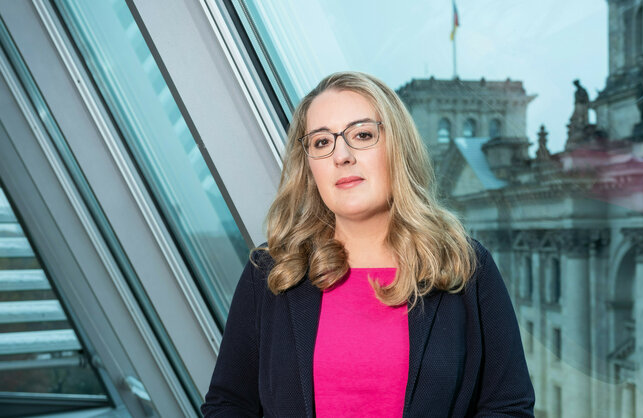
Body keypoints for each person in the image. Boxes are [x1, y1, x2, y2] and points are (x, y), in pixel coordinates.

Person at [201, 71, 535, 417]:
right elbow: (229, 404)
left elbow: (507, 407)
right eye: (321, 142)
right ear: (309, 167)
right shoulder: (271, 269)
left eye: (362, 135)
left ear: (397, 148)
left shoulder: (464, 264)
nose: (341, 155)